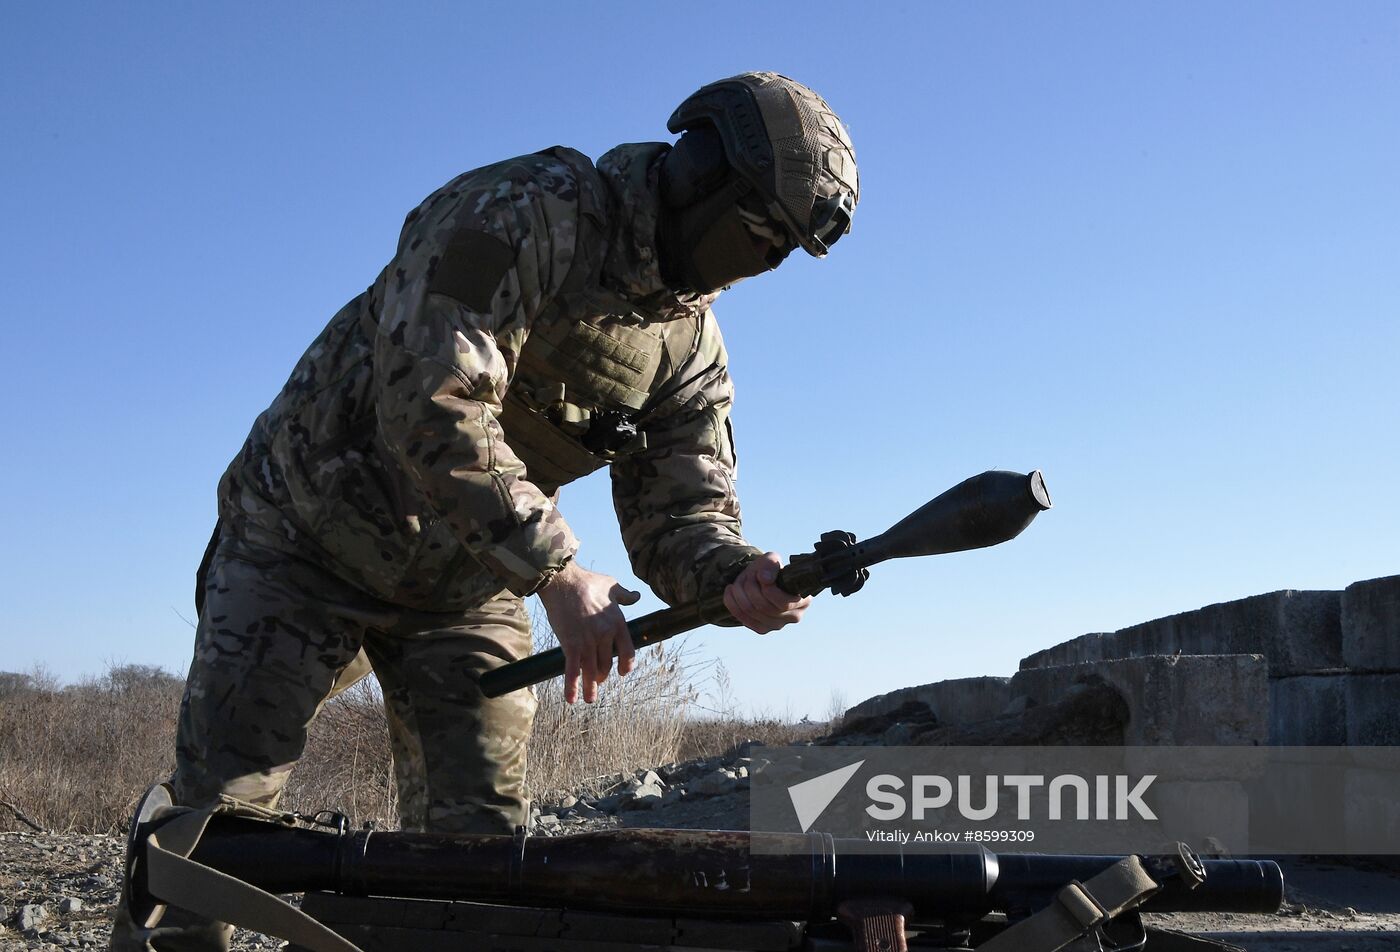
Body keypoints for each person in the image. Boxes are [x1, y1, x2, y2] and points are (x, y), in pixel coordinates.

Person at [113, 70, 858, 951]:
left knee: (478, 868)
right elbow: (434, 401)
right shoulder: (523, 211)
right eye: (759, 234)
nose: (762, 263)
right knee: (215, 827)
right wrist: (557, 572)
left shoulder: (689, 348)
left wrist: (737, 576)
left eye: (781, 251)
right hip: (300, 543)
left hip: (467, 591)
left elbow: (681, 516)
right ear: (703, 179)